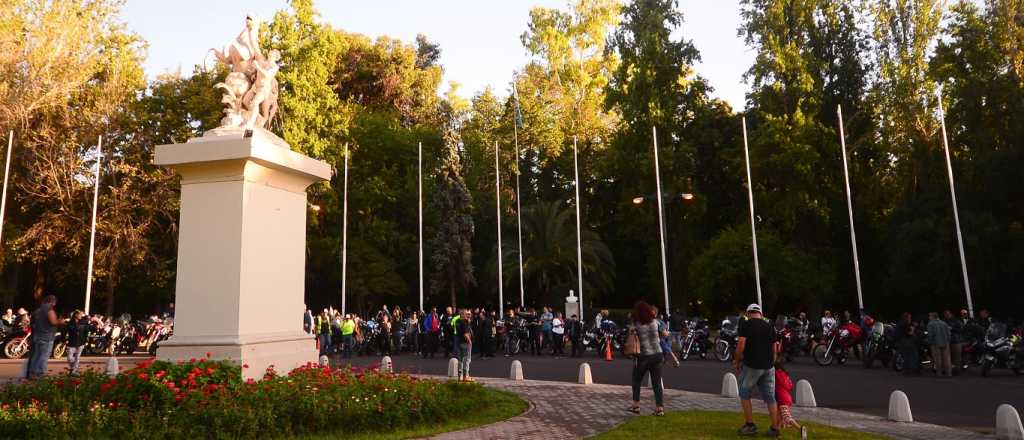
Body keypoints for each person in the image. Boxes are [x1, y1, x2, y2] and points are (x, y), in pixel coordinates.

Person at [734, 303, 780, 437]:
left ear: (748, 313)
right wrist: (773, 361)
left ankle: (750, 425)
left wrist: (736, 361)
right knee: (770, 397)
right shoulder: (769, 325)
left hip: (752, 366)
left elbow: (741, 344)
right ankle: (774, 428)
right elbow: (775, 347)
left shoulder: (746, 324)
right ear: (760, 314)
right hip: (769, 366)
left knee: (744, 393)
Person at [627, 301, 666, 416]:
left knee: (636, 380)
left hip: (644, 356)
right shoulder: (655, 322)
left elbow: (630, 335)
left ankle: (636, 405)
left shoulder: (636, 324)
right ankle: (659, 408)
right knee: (657, 382)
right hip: (658, 354)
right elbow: (663, 333)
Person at [27, 295, 61, 379]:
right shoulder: (49, 310)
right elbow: (53, 322)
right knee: (44, 356)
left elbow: (32, 323)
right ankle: (41, 373)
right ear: (52, 302)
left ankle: (32, 373)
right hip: (47, 336)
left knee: (36, 355)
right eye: (54, 302)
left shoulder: (38, 310)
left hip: (37, 335)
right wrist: (60, 321)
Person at [774, 361, 807, 439]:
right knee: (779, 415)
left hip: (782, 399)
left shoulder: (776, 373)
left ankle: (800, 429)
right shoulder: (785, 375)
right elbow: (790, 386)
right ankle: (777, 432)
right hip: (787, 398)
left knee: (786, 417)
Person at [927, 312, 952, 377]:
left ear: (933, 317)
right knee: (947, 359)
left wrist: (929, 342)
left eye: (929, 316)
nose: (929, 318)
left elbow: (930, 335)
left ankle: (939, 373)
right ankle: (949, 373)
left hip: (935, 344)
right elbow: (949, 334)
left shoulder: (930, 324)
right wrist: (947, 341)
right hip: (945, 343)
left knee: (938, 359)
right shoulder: (944, 323)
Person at [66, 310, 89, 375]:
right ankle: (74, 368)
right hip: (72, 342)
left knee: (77, 357)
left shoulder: (84, 322)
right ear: (76, 315)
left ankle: (74, 371)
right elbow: (67, 330)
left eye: (81, 315)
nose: (81, 316)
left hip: (81, 342)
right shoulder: (70, 322)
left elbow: (86, 332)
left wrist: (85, 340)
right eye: (80, 314)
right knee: (69, 357)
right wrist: (63, 339)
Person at [456, 309, 474, 381]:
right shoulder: (464, 322)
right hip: (465, 342)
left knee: (460, 359)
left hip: (459, 342)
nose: (468, 315)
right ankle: (465, 376)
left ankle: (459, 376)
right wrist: (469, 341)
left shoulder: (458, 321)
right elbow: (465, 333)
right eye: (467, 314)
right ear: (463, 315)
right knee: (466, 359)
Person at [944, 310, 964, 374]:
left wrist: (952, 329)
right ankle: (950, 370)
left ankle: (957, 370)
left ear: (951, 314)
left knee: (957, 357)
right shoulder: (944, 321)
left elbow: (962, 330)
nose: (946, 315)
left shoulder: (957, 321)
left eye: (947, 314)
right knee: (949, 357)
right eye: (945, 314)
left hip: (956, 341)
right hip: (947, 341)